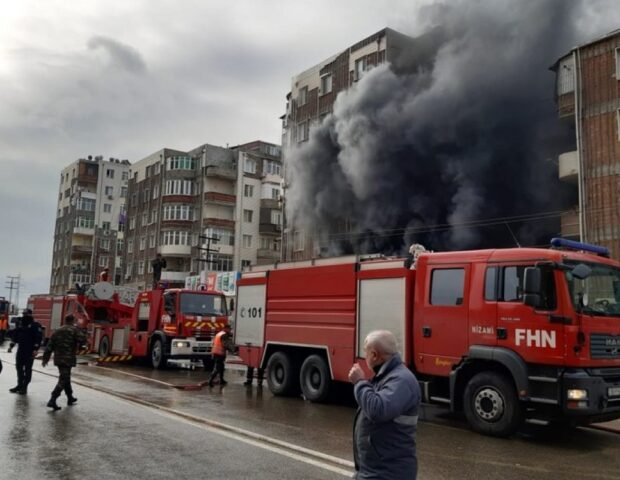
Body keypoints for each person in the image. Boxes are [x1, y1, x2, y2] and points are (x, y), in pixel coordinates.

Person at [348, 330, 421, 480]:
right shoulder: (386, 377)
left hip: (388, 472)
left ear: (374, 355)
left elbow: (378, 410)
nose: (364, 356)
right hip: (374, 469)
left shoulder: (401, 380)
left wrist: (360, 382)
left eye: (365, 352)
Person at [41, 314, 88, 411]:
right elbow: (83, 340)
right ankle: (53, 399)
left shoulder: (57, 330)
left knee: (65, 377)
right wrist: (81, 331)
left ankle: (70, 397)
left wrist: (45, 359)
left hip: (58, 358)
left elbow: (49, 346)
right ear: (73, 320)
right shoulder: (74, 330)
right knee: (64, 379)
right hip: (68, 359)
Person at [7, 309, 43, 395]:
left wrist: (35, 349)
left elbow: (38, 338)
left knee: (27, 369)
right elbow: (15, 336)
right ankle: (19, 385)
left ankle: (24, 387)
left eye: (26, 314)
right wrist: (11, 346)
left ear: (30, 315)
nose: (24, 316)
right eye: (23, 314)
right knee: (19, 368)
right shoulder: (21, 324)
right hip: (20, 350)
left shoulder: (35, 325)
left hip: (29, 351)